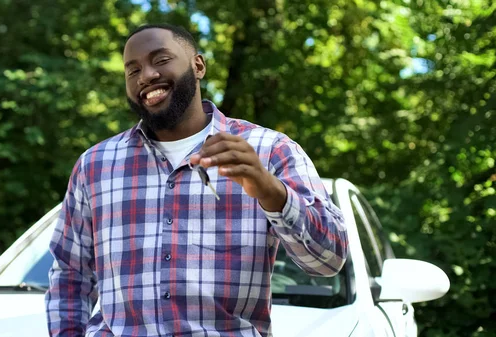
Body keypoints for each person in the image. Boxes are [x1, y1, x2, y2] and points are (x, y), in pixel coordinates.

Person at [46, 23, 348, 337]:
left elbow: (328, 261)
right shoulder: (94, 165)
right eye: (132, 70)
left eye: (161, 60)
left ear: (198, 66)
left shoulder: (270, 151)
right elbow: (70, 275)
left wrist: (270, 190)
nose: (146, 75)